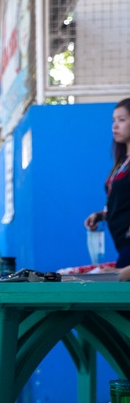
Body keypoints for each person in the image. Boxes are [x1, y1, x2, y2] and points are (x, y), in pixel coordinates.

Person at [85, 98, 130, 280]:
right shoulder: (121, 163)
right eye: (113, 120)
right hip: (123, 247)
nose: (115, 126)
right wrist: (102, 214)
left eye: (122, 120)